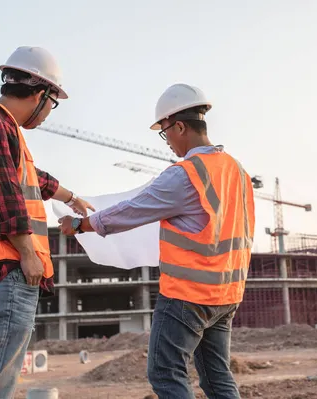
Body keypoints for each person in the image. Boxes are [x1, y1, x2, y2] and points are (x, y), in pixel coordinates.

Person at [58, 83, 255, 398]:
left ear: (179, 126)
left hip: (187, 295)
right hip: (227, 293)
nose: (167, 142)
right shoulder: (237, 170)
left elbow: (133, 210)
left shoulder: (186, 174)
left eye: (165, 133)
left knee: (165, 372)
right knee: (217, 378)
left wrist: (81, 225)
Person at [0, 46, 94, 398]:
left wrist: (69, 197)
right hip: (3, 270)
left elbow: (28, 177)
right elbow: (1, 192)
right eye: (52, 104)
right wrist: (28, 252)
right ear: (41, 95)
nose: (48, 114)